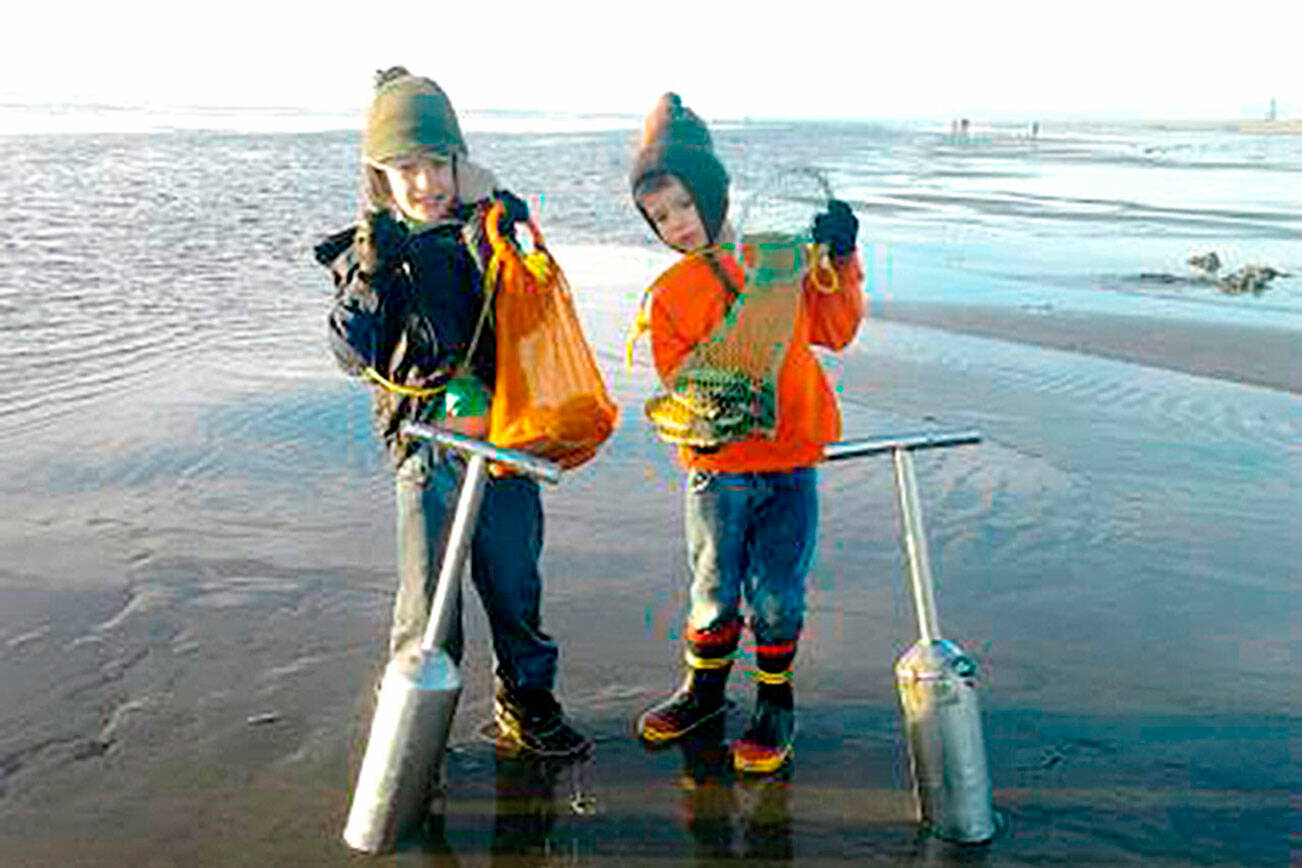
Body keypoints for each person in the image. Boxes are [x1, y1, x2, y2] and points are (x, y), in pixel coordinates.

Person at [315, 67, 590, 758]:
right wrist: (373, 276)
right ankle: (417, 738)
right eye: (404, 167)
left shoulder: (491, 234)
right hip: (424, 451)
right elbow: (351, 356)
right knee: (427, 609)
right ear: (379, 174)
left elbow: (539, 323)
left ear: (457, 164)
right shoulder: (369, 252)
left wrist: (522, 243)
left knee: (515, 587)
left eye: (436, 163)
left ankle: (528, 703)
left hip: (506, 445)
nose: (423, 182)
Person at [628, 93, 865, 773]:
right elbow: (682, 381)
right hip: (717, 467)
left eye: (683, 206)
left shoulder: (780, 262)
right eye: (659, 218)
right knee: (712, 586)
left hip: (790, 459)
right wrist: (710, 410)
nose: (675, 226)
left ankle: (774, 702)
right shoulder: (669, 296)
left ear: (714, 195)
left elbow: (837, 330)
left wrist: (842, 257)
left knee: (777, 592)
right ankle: (703, 692)